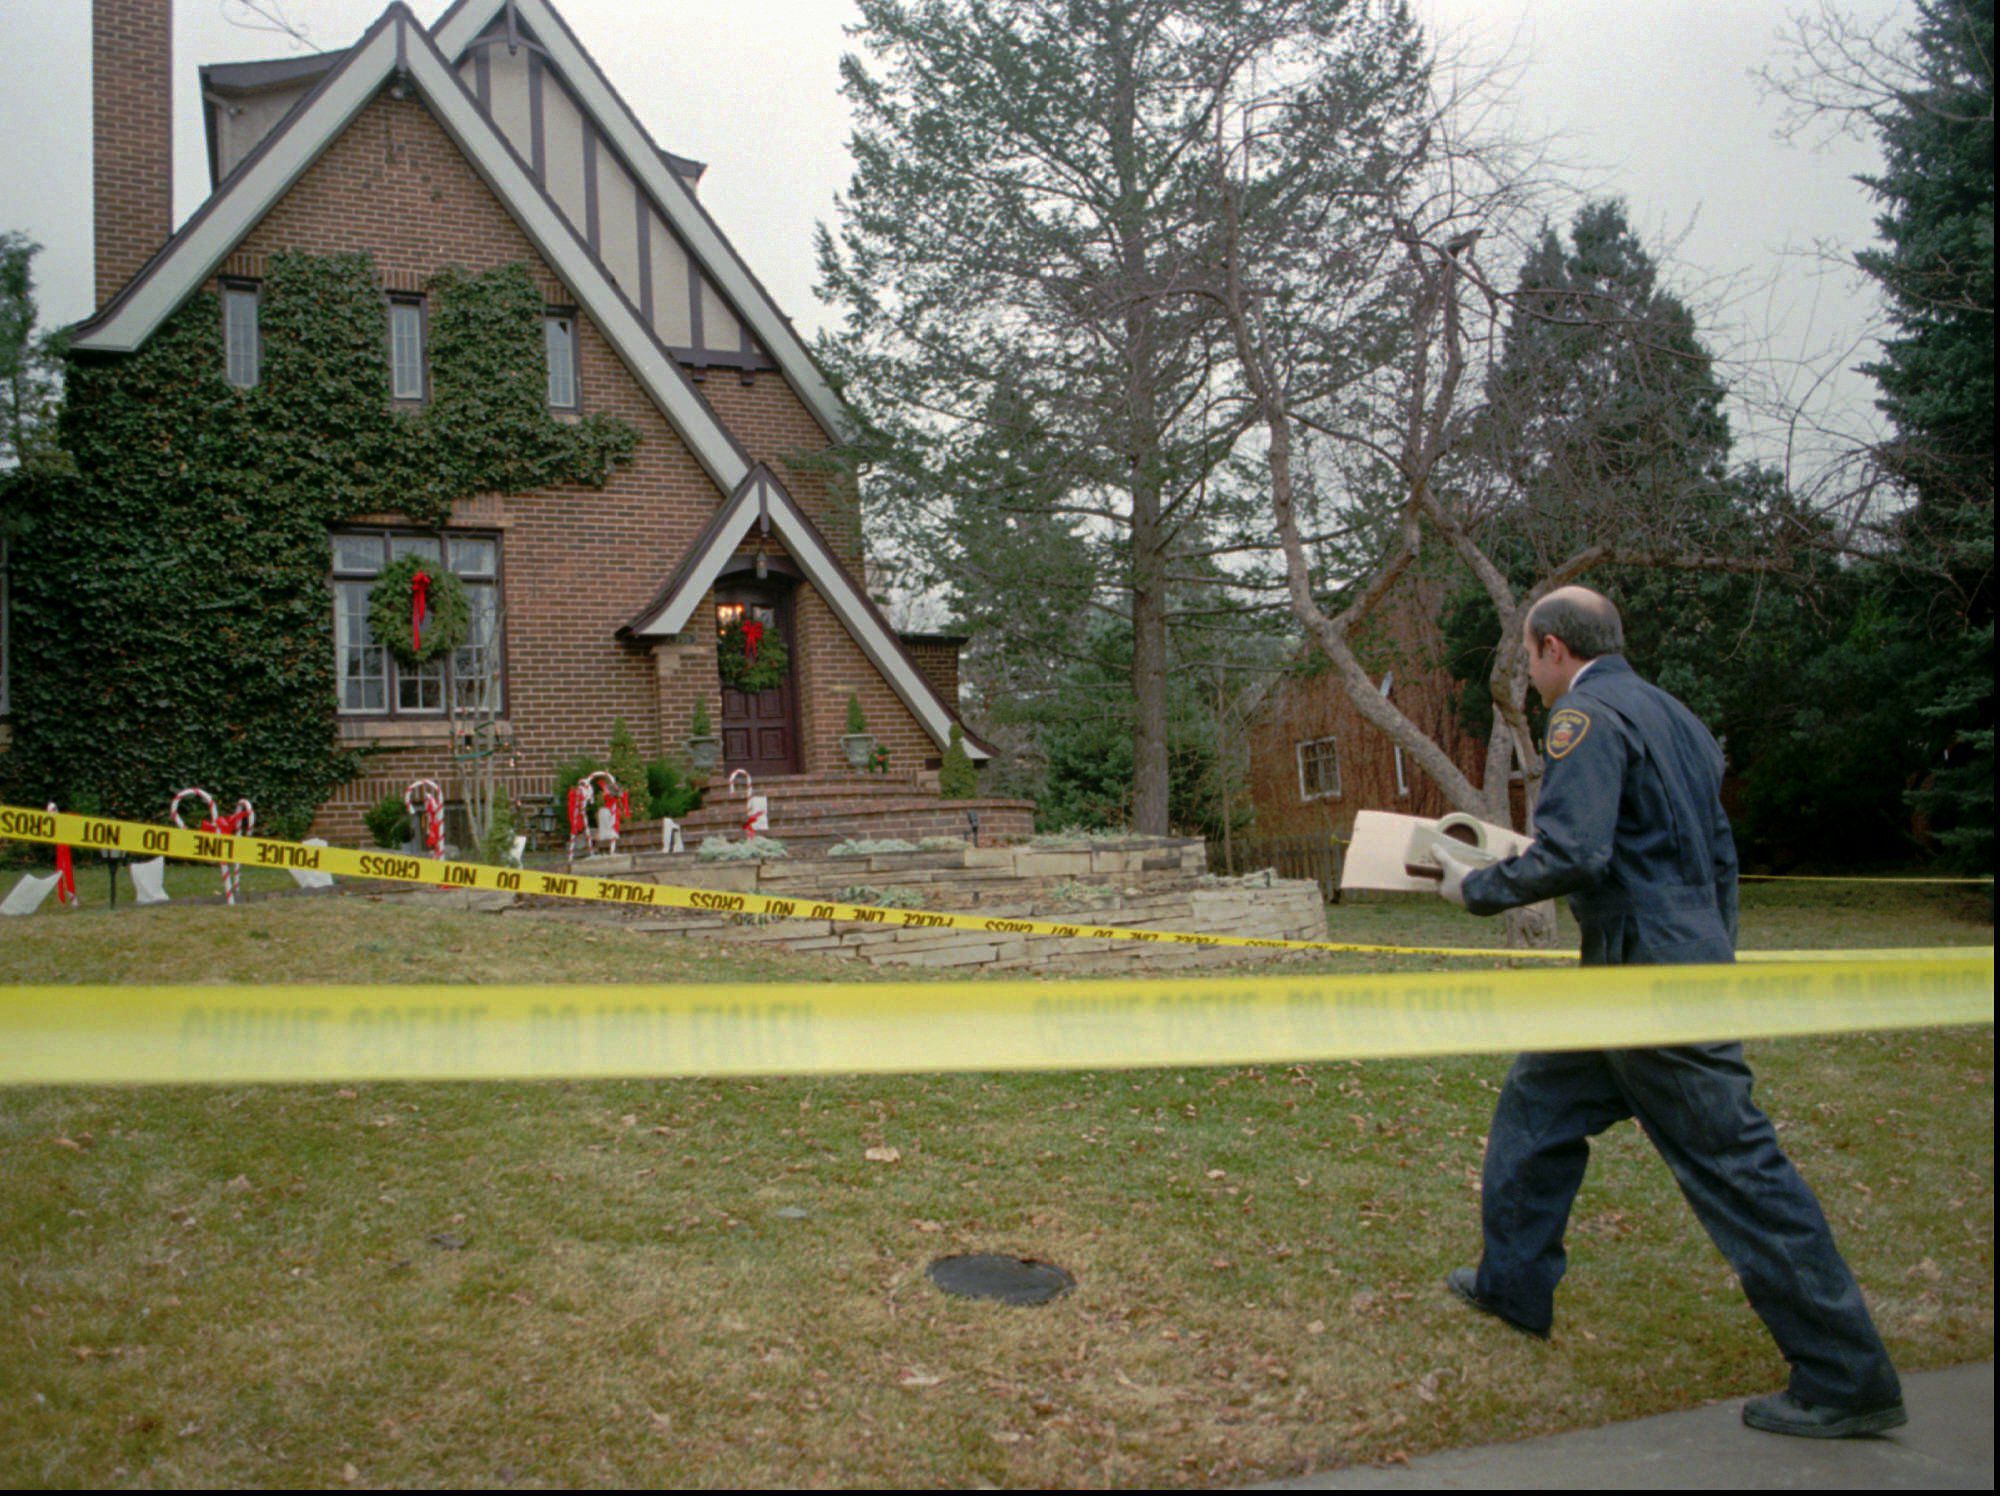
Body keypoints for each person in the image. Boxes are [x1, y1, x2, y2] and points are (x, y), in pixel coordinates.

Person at [1427, 586, 1905, 1439]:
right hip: (1665, 955)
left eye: (1529, 659)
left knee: (1736, 1166)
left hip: (1644, 975)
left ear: (1549, 648)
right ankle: (1513, 1285)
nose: (1531, 677)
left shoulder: (1581, 717)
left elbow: (1576, 850)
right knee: (1536, 1113)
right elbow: (1714, 852)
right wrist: (1709, 953)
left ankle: (1846, 1376)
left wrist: (1476, 886)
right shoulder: (1676, 716)